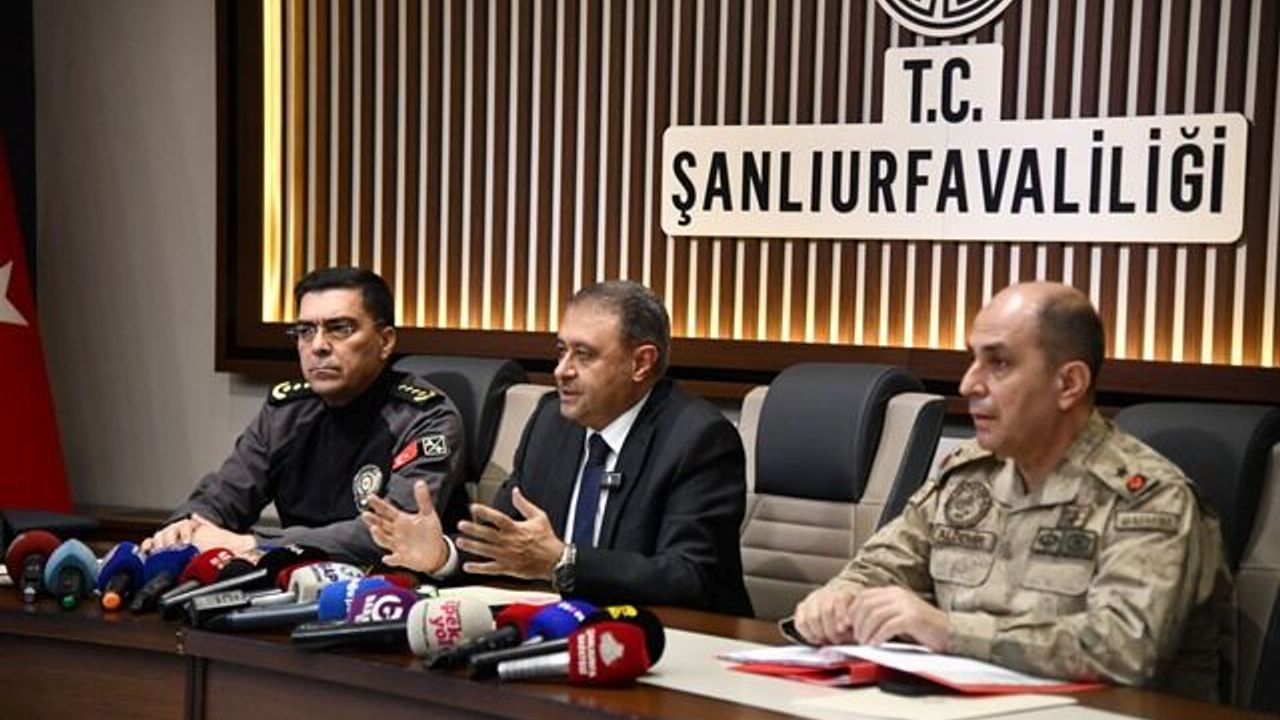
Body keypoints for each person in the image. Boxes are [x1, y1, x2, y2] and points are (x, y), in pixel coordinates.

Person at [792, 282, 1233, 701]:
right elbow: (882, 566)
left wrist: (949, 631)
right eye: (973, 359)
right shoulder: (968, 477)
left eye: (998, 363)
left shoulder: (1148, 496)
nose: (968, 385)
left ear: (1068, 384)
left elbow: (1124, 649)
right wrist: (838, 600)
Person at [362, 280, 753, 615]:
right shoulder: (551, 422)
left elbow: (691, 577)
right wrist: (441, 555)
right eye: (561, 350)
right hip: (562, 628)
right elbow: (504, 540)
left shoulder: (697, 438)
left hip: (671, 639)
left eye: (583, 354)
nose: (561, 370)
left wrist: (564, 562)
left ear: (641, 363)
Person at [144, 267, 465, 565]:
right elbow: (225, 495)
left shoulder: (425, 417)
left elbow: (394, 534)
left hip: (389, 590)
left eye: (340, 329)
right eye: (305, 331)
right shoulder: (286, 412)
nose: (318, 345)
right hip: (293, 582)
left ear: (385, 341)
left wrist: (255, 544)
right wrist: (186, 526)